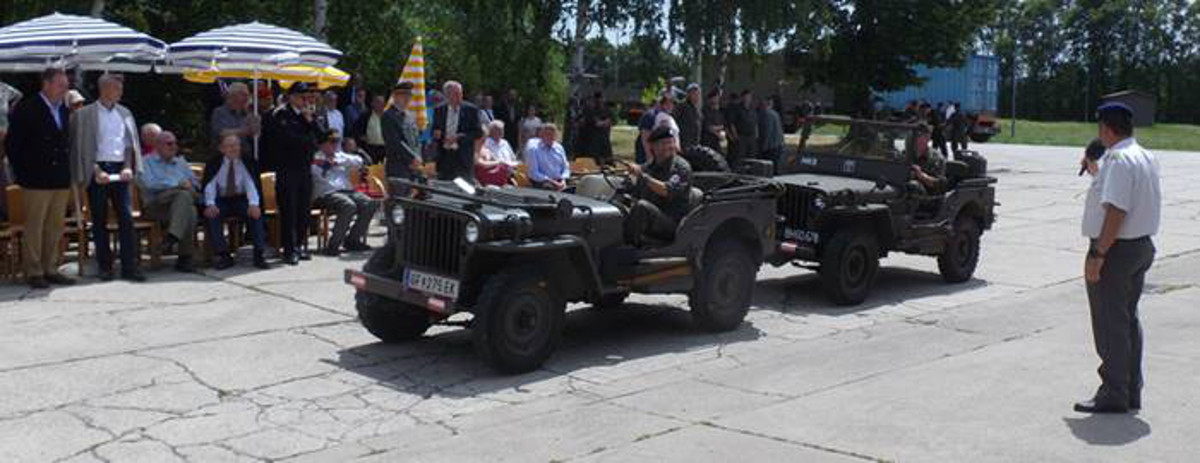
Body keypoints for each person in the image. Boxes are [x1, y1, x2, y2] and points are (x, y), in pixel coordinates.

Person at [1074, 102, 1161, 415]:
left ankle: (1113, 392)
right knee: (1126, 319)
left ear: (1105, 129)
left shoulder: (1120, 159)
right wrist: (1097, 174)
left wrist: (1098, 254)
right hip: (1139, 247)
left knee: (1111, 323)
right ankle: (1129, 388)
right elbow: (1118, 197)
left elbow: (1117, 211)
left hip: (1116, 250)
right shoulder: (1143, 156)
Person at [69, 73, 145, 282]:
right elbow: (80, 148)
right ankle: (105, 267)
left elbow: (129, 144)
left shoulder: (125, 113)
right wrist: (95, 170)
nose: (120, 92)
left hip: (120, 169)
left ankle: (130, 267)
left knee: (126, 218)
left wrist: (128, 167)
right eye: (117, 88)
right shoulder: (84, 115)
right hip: (97, 169)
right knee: (99, 220)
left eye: (121, 89)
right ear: (104, 89)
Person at [5, 68, 76, 288]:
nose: (64, 88)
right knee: (35, 226)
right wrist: (24, 173)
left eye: (66, 85)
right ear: (46, 84)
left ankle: (51, 268)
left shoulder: (64, 110)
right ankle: (34, 271)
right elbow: (12, 145)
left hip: (59, 177)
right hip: (35, 179)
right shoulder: (27, 108)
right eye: (60, 84)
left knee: (55, 226)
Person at [263, 82, 322, 265]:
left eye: (306, 97)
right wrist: (308, 140)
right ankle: (289, 250)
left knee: (303, 209)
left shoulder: (307, 116)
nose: (304, 100)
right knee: (289, 209)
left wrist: (310, 121)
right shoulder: (281, 114)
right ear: (291, 97)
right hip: (287, 168)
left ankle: (298, 246)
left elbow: (321, 137)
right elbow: (289, 140)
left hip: (304, 168)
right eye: (300, 96)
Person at [203, 133, 269, 270]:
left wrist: (254, 204)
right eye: (230, 146)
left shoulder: (247, 161)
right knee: (212, 215)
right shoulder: (214, 163)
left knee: (255, 214)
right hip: (221, 199)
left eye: (236, 145)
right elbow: (209, 185)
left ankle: (259, 254)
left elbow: (251, 184)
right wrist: (210, 204)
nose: (234, 149)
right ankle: (223, 255)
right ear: (222, 149)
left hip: (241, 198)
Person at [137, 131, 199, 272]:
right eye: (169, 144)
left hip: (178, 206)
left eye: (175, 143)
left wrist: (190, 184)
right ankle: (185, 257)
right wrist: (177, 184)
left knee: (188, 206)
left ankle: (173, 237)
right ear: (157, 145)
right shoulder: (146, 162)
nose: (174, 147)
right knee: (185, 200)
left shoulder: (181, 162)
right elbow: (148, 184)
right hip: (156, 206)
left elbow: (195, 183)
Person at [311, 130, 377, 256]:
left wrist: (338, 162)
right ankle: (333, 245)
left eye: (336, 142)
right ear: (322, 144)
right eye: (331, 142)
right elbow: (317, 175)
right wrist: (326, 165)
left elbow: (360, 161)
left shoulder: (340, 156)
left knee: (370, 204)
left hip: (347, 190)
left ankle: (353, 239)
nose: (335, 145)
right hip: (327, 193)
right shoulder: (316, 158)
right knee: (348, 206)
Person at [624, 126, 693, 246]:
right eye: (664, 143)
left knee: (641, 207)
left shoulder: (680, 167)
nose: (669, 146)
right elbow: (633, 190)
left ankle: (630, 248)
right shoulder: (649, 166)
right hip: (652, 218)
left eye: (671, 142)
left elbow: (666, 190)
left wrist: (641, 176)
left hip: (671, 222)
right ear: (653, 146)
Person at [431, 81, 484, 181]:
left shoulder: (471, 110)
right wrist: (437, 134)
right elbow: (435, 131)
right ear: (447, 95)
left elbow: (478, 133)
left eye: (460, 93)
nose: (459, 96)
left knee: (464, 189)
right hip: (444, 157)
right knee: (444, 189)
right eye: (455, 93)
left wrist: (459, 137)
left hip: (463, 157)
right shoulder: (439, 109)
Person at [381, 82, 422, 182]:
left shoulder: (410, 116)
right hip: (398, 166)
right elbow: (395, 141)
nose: (407, 98)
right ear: (395, 96)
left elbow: (416, 140)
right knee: (400, 196)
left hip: (413, 168)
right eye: (404, 95)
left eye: (409, 95)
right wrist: (412, 158)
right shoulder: (388, 116)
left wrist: (418, 156)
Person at [524, 123, 569, 191]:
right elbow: (534, 173)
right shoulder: (534, 150)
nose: (551, 137)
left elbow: (565, 167)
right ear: (541, 135)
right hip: (543, 182)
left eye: (553, 135)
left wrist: (563, 180)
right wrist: (552, 182)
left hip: (560, 180)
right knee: (549, 189)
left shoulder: (559, 148)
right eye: (547, 134)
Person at [476, 120, 519, 187]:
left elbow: (513, 159)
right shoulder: (486, 144)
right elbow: (482, 164)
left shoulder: (505, 143)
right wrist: (500, 162)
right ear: (491, 131)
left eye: (502, 129)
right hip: (491, 178)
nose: (501, 132)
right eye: (498, 130)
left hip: (509, 175)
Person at [908, 124, 947, 195]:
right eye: (913, 136)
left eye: (919, 136)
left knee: (913, 185)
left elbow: (938, 184)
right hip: (904, 194)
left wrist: (921, 175)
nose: (915, 138)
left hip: (927, 198)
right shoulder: (906, 154)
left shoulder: (936, 158)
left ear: (927, 138)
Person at [350, 95, 388, 165]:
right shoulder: (366, 115)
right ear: (373, 103)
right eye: (378, 102)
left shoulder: (388, 117)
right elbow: (356, 130)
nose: (381, 105)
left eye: (383, 103)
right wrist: (361, 137)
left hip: (385, 148)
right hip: (370, 148)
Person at [579, 92, 614, 164]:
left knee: (607, 158)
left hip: (604, 138)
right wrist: (604, 122)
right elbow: (596, 123)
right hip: (592, 139)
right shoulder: (590, 110)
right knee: (593, 159)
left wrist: (604, 123)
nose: (600, 101)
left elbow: (610, 121)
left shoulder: (606, 110)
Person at [727, 90, 759, 163]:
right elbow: (732, 123)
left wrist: (757, 134)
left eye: (749, 97)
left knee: (752, 156)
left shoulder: (752, 109)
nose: (747, 99)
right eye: (746, 97)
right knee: (741, 157)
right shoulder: (737, 108)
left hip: (751, 136)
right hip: (741, 136)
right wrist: (735, 136)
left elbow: (755, 122)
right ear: (742, 98)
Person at [674, 84, 703, 151]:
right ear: (688, 94)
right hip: (683, 144)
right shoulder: (682, 106)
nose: (697, 97)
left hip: (694, 144)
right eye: (694, 94)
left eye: (698, 94)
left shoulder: (696, 109)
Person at [757, 96, 785, 164]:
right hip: (777, 145)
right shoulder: (775, 113)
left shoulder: (767, 114)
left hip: (771, 147)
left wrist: (764, 146)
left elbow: (767, 131)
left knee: (768, 167)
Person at [701, 89, 726, 155]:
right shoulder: (705, 111)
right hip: (709, 141)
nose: (716, 100)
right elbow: (709, 128)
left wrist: (722, 136)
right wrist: (718, 131)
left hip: (720, 142)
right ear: (710, 99)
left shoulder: (720, 111)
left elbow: (723, 126)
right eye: (714, 98)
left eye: (717, 97)